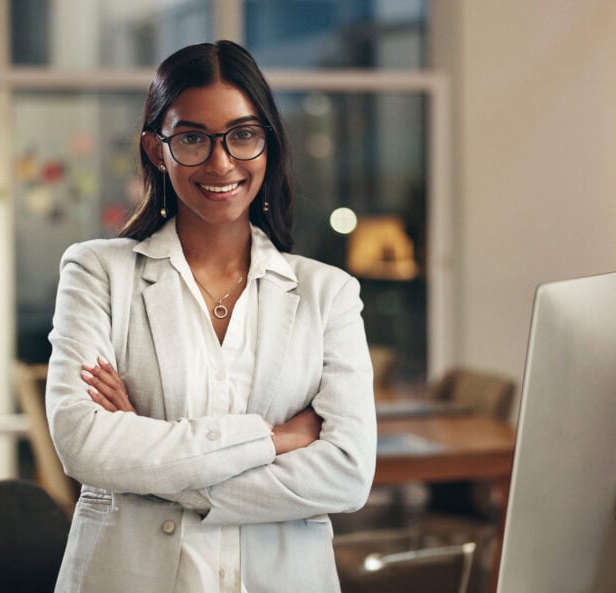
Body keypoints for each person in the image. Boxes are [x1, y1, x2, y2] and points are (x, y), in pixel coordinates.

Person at [45, 40, 376, 593]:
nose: (221, 163)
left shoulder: (329, 293)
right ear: (158, 149)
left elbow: (346, 475)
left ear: (267, 143)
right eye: (194, 138)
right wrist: (272, 439)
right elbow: (83, 443)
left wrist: (150, 462)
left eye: (243, 135)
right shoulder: (98, 272)